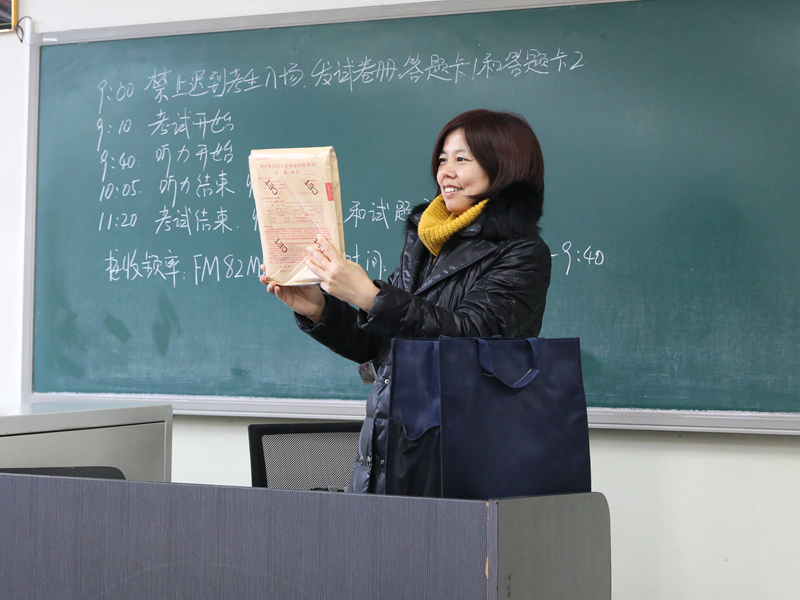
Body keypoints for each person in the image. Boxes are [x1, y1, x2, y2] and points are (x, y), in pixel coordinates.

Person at [261, 109, 551, 494]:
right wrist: (319, 309)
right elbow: (380, 345)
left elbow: (472, 339)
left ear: (504, 166)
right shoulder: (426, 241)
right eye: (442, 160)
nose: (446, 172)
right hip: (387, 448)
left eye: (462, 159)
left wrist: (371, 297)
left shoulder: (522, 253)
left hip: (461, 458)